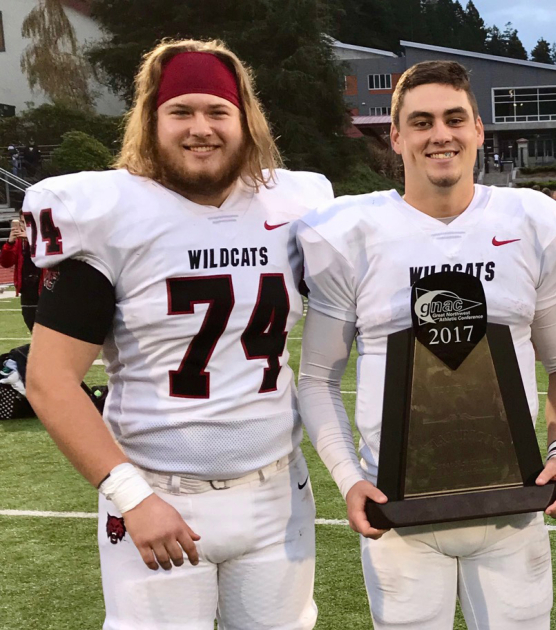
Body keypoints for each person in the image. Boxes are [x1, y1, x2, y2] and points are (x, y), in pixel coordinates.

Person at [23, 39, 332, 629]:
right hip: (158, 494)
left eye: (218, 112)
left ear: (245, 120)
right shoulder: (108, 213)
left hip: (277, 494)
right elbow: (48, 381)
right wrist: (132, 497)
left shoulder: (295, 205)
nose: (201, 129)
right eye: (181, 112)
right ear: (151, 119)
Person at [296, 60, 556, 630]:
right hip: (397, 505)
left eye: (455, 118)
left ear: (479, 129)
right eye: (422, 121)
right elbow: (317, 378)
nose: (441, 134)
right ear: (396, 136)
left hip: (510, 501)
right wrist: (348, 477)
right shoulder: (350, 233)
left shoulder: (531, 221)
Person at [0, 211, 45, 331]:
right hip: (27, 292)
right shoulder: (19, 242)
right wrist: (10, 242)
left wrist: (33, 240)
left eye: (28, 222)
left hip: (46, 291)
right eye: (22, 222)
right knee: (32, 328)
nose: (25, 225)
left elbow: (48, 258)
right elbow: (6, 263)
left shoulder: (44, 239)